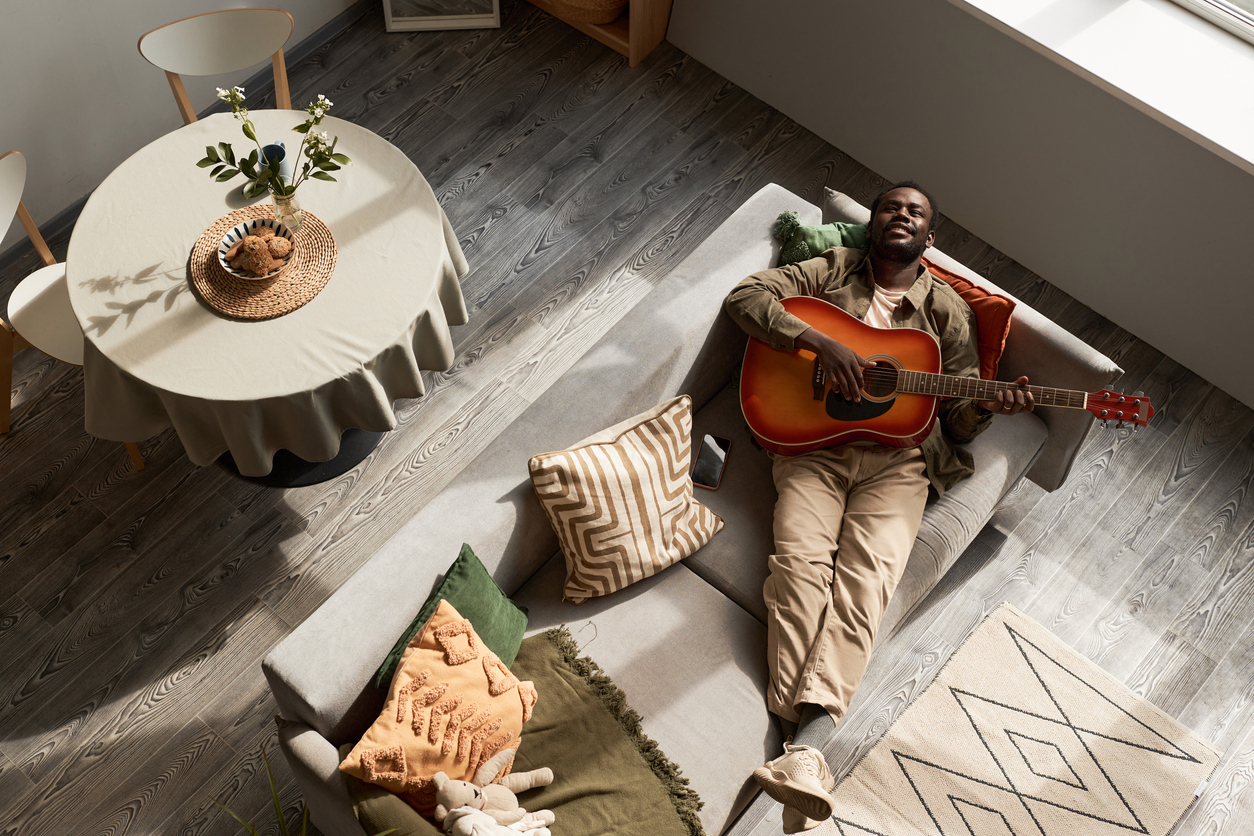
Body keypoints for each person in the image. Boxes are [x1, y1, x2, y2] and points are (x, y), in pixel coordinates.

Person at [724, 182, 1034, 831]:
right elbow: (746, 298)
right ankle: (805, 751)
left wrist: (986, 405)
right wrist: (820, 344)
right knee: (798, 566)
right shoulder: (829, 271)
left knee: (866, 582)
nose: (901, 216)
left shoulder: (946, 310)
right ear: (873, 225)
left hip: (901, 462)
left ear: (930, 238)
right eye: (890, 207)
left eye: (915, 213)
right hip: (810, 447)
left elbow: (959, 415)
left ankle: (800, 749)